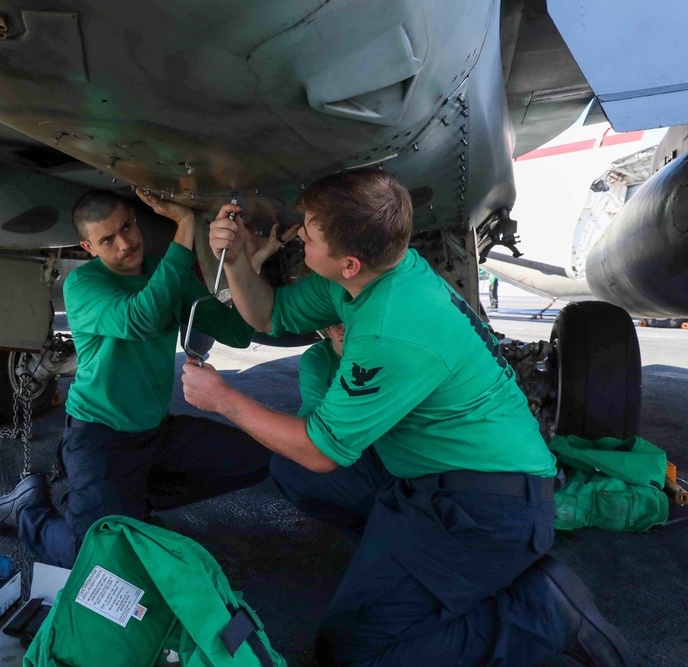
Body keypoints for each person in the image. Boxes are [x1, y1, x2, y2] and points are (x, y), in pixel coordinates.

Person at [181, 170, 633, 666]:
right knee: (287, 467)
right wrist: (241, 260)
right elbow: (269, 316)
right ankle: (408, 566)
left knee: (354, 651)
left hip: (486, 507)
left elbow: (320, 451)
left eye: (308, 233)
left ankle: (537, 611)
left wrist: (224, 399)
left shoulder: (389, 331)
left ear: (349, 262)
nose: (297, 235)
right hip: (434, 480)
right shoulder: (376, 273)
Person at [0, 188, 273, 569]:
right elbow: (143, 318)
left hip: (155, 433)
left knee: (255, 459)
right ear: (89, 247)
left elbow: (239, 334)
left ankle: (128, 503)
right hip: (100, 436)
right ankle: (27, 509)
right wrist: (186, 225)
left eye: (126, 227)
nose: (124, 244)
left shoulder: (165, 273)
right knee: (98, 557)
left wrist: (243, 267)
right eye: (108, 239)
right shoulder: (84, 285)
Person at [297, 323, 344, 418]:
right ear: (328, 331)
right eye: (337, 326)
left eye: (349, 325)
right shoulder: (315, 359)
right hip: (318, 426)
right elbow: (319, 410)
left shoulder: (372, 355)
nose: (343, 332)